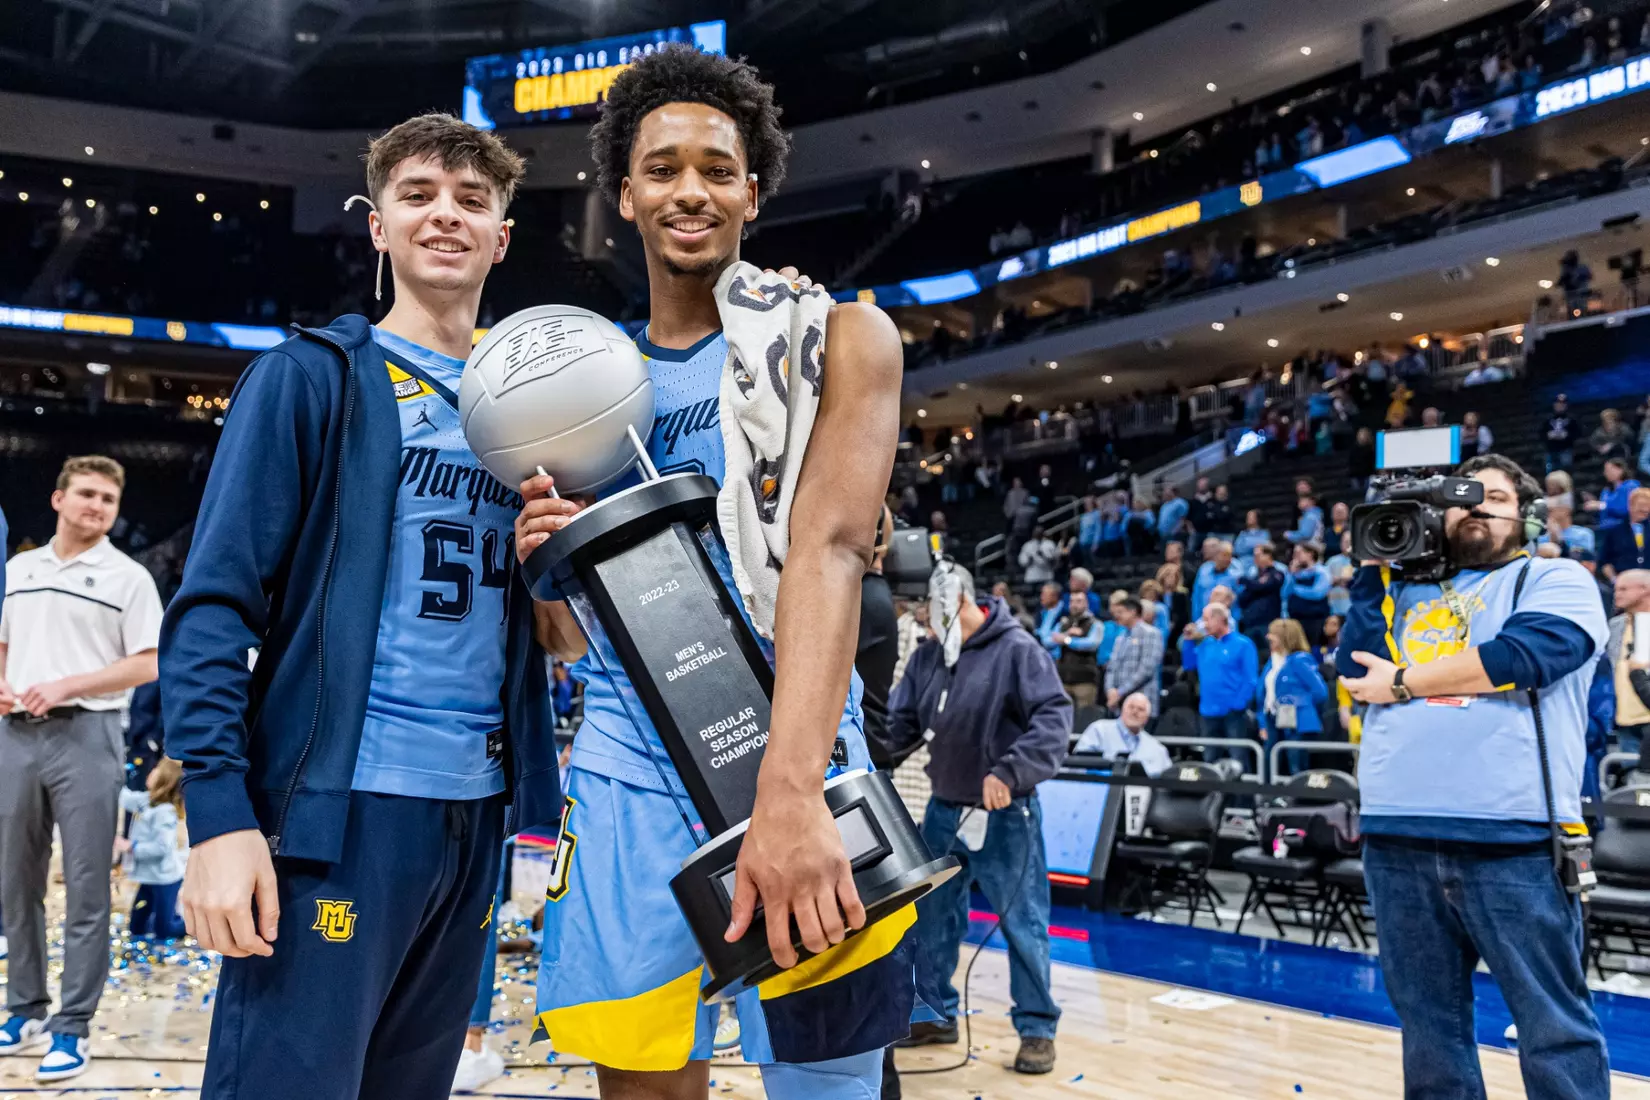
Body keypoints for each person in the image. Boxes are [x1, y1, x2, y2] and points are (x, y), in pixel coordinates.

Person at [531, 47, 913, 1088]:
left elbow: (832, 553)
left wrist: (789, 797)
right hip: (622, 780)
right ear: (623, 195)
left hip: (800, 766)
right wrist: (546, 569)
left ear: (754, 188)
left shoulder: (839, 337)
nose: (688, 190)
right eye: (660, 169)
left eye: (715, 167)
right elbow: (567, 642)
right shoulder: (573, 390)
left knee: (827, 1078)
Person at [157, 115, 561, 1100]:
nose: (445, 215)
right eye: (418, 194)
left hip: (474, 817)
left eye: (473, 199)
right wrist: (218, 815)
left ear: (503, 235)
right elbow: (212, 607)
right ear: (377, 225)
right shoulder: (308, 379)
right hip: (334, 818)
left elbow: (558, 635)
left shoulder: (544, 416)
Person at [1338, 454, 1610, 1099]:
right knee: (1429, 1029)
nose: (1477, 507)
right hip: (1396, 834)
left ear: (1527, 515)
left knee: (1553, 1027)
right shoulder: (1397, 593)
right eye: (1462, 497)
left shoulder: (1554, 577)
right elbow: (1355, 675)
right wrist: (1374, 571)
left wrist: (1401, 683)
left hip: (1517, 840)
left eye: (1494, 496)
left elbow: (1526, 655)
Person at [0, 455, 163, 1081]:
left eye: (108, 500)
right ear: (58, 499)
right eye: (87, 495)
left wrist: (68, 685)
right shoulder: (20, 570)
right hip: (15, 737)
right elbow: (5, 642)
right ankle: (25, 1009)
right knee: (17, 884)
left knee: (89, 891)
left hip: (90, 736)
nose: (97, 506)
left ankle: (73, 1027)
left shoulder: (127, 578)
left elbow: (148, 663)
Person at [887, 565, 1070, 1074]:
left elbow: (1054, 717)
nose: (925, 625)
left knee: (1023, 922)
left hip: (1005, 812)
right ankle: (937, 1014)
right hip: (945, 808)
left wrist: (1010, 771)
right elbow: (902, 723)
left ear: (960, 600)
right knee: (931, 920)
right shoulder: (929, 657)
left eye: (930, 613)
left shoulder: (1018, 650)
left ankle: (1036, 1028)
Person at [117, 757, 187, 940]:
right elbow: (124, 798)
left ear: (165, 779)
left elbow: (161, 848)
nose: (151, 771)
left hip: (166, 880)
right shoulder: (146, 800)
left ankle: (191, 925)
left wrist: (130, 846)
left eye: (157, 769)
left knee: (165, 930)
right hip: (148, 877)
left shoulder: (165, 812)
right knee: (136, 926)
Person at [1180, 603, 1258, 758]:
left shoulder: (1243, 644)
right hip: (1208, 711)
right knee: (1210, 758)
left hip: (1233, 713)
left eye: (1206, 619)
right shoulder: (1205, 644)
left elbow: (1251, 679)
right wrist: (1188, 641)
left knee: (1238, 757)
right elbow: (1189, 665)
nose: (1203, 624)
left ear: (1220, 619)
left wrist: (1238, 704)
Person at [1256, 619, 1328, 776]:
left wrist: (1299, 706)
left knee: (1295, 762)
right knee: (1270, 760)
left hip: (1295, 720)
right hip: (1272, 717)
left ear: (1284, 636)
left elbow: (1320, 692)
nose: (1268, 637)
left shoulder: (1300, 660)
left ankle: (1298, 798)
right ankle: (1270, 796)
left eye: (1273, 634)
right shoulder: (1272, 661)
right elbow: (1262, 693)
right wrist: (1262, 722)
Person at [1072, 693, 1171, 776]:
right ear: (1122, 710)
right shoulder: (1099, 730)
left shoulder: (1157, 749)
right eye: (1131, 707)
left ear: (1147, 717)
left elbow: (1167, 778)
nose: (1135, 712)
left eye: (1141, 709)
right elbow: (1077, 766)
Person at [1606, 570, 1650, 758]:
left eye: (1623, 589)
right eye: (1616, 589)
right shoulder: (1613, 626)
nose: (1617, 594)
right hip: (1624, 720)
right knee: (1632, 784)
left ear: (1645, 589)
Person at [1103, 598, 1165, 717]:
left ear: (1133, 612)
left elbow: (1147, 669)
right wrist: (1110, 690)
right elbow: (1111, 667)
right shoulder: (1121, 637)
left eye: (1121, 612)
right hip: (1119, 704)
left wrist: (1120, 692)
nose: (1117, 616)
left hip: (1142, 702)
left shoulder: (1151, 633)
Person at [1236, 543, 1285, 653]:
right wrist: (1255, 585)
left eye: (1258, 555)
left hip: (1268, 624)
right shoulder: (1254, 577)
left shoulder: (1277, 574)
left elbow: (1264, 586)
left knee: (1268, 653)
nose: (1255, 559)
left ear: (1268, 555)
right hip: (1250, 624)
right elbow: (1242, 598)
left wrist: (1248, 583)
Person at [1283, 543, 1333, 646]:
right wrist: (1291, 574)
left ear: (1310, 554)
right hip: (1296, 620)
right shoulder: (1294, 573)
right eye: (1294, 553)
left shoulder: (1321, 572)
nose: (1295, 557)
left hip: (1316, 620)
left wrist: (1295, 589)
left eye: (1298, 553)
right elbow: (1284, 593)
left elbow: (1317, 593)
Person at [1600, 487, 1650, 581]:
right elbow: (1604, 561)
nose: (1644, 509)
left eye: (1647, 505)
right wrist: (1615, 580)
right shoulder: (1614, 531)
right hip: (1624, 579)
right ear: (1630, 505)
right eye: (1641, 505)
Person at [1191, 540, 1244, 619]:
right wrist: (1195, 618)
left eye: (1230, 555)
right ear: (1216, 556)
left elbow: (1240, 600)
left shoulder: (1237, 574)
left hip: (1227, 620)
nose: (1228, 559)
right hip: (1203, 618)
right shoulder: (1204, 569)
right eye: (1224, 555)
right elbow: (1196, 595)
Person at [1587, 457, 1641, 530]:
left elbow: (1626, 508)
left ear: (1620, 469)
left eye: (1608, 470)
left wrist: (1601, 505)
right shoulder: (1606, 490)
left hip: (1623, 529)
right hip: (1604, 528)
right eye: (1605, 470)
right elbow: (1603, 513)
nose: (1605, 473)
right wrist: (1594, 506)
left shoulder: (1631, 485)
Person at [1545, 395, 1580, 474]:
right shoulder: (1548, 419)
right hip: (1551, 449)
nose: (1560, 406)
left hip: (1566, 449)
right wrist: (1548, 436)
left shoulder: (1572, 419)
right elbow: (1542, 433)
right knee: (1550, 471)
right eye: (1558, 403)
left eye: (1562, 404)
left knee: (1565, 470)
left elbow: (1577, 433)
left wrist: (1567, 435)